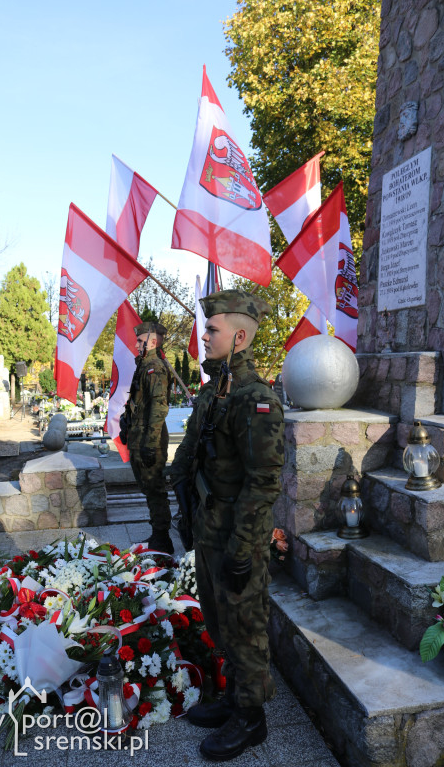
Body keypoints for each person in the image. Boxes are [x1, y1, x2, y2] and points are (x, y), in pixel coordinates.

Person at [170, 290, 285, 761]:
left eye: (213, 329)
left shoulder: (255, 399)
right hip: (208, 528)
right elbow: (190, 450)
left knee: (246, 626)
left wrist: (244, 547)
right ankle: (232, 697)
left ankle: (251, 719)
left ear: (239, 336)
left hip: (238, 535)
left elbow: (263, 482)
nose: (205, 334)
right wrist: (178, 498)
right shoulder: (214, 390)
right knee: (219, 620)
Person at [121, 321, 174, 554]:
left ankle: (162, 540)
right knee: (149, 489)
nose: (136, 344)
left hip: (148, 440)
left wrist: (151, 445)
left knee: (155, 490)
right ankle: (157, 535)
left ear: (153, 342)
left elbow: (158, 408)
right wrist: (126, 422)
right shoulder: (144, 365)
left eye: (140, 341)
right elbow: (139, 402)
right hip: (139, 437)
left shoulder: (154, 367)